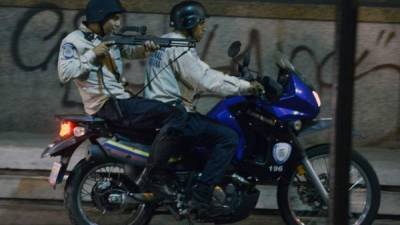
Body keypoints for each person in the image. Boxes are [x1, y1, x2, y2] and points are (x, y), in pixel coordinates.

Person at [143, 0, 264, 216]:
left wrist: (233, 80)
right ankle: (201, 196)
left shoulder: (165, 42)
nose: (204, 27)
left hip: (161, 111)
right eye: (201, 23)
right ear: (189, 23)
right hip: (175, 114)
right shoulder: (179, 47)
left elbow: (195, 78)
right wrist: (246, 87)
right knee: (228, 138)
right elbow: (205, 79)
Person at [57, 0, 189, 190]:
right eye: (115, 18)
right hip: (108, 105)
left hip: (122, 101)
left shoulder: (110, 38)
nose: (119, 23)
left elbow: (128, 51)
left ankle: (143, 184)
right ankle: (156, 175)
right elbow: (64, 74)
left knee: (158, 130)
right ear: (100, 17)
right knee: (175, 114)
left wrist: (146, 49)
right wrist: (92, 54)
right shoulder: (74, 41)